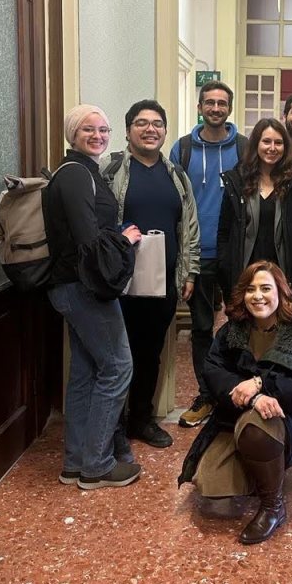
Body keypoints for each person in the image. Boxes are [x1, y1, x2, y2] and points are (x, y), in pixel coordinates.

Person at [179, 262, 292, 544]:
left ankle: (273, 506)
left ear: (281, 293)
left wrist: (262, 384)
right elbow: (213, 371)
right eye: (251, 289)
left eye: (266, 288)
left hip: (289, 416)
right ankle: (263, 467)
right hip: (237, 413)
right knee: (211, 483)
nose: (258, 296)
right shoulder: (233, 329)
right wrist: (253, 397)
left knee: (258, 427)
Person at [44, 104, 142, 490]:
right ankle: (98, 465)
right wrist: (124, 238)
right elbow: (88, 240)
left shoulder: (85, 172)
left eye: (103, 129)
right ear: (73, 133)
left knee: (85, 372)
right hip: (84, 286)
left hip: (71, 286)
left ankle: (75, 463)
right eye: (89, 129)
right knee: (118, 367)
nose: (98, 135)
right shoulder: (74, 175)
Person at [109, 99, 200, 448]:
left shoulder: (175, 175)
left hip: (163, 282)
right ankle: (113, 426)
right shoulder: (112, 170)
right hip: (120, 282)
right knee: (119, 354)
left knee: (150, 353)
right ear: (129, 129)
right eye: (142, 123)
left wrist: (190, 272)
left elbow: (189, 227)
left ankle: (141, 420)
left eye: (158, 123)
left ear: (165, 130)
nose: (150, 129)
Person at [169, 81, 248, 429]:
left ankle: (237, 392)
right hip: (198, 256)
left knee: (240, 325)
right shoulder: (183, 149)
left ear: (229, 108)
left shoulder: (244, 148)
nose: (216, 108)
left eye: (222, 103)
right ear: (200, 107)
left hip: (234, 255)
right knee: (201, 328)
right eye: (210, 103)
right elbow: (174, 202)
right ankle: (206, 394)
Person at [217, 118, 292, 306]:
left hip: (284, 277)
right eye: (266, 141)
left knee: (282, 331)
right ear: (256, 143)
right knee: (247, 331)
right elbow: (224, 232)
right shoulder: (237, 181)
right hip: (245, 275)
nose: (272, 148)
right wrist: (226, 265)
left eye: (278, 142)